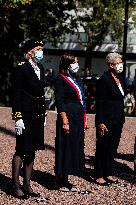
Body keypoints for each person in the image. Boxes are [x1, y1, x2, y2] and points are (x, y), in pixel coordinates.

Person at [11, 38, 47, 199]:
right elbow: (16, 93)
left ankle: (27, 184)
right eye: (38, 49)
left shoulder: (41, 68)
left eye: (41, 49)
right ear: (29, 52)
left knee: (32, 150)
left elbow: (41, 93)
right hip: (25, 114)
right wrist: (17, 116)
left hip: (37, 114)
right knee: (21, 149)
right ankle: (15, 185)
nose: (41, 52)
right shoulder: (22, 69)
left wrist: (44, 113)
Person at [54, 53, 87, 191]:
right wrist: (65, 121)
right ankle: (59, 180)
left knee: (73, 148)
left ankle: (66, 178)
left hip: (77, 118)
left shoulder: (75, 78)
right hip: (68, 117)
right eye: (75, 62)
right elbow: (60, 102)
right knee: (64, 147)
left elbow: (81, 99)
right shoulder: (60, 79)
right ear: (68, 64)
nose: (77, 64)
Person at [94, 52, 125, 186]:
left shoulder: (120, 78)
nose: (120, 65)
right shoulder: (104, 80)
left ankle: (108, 172)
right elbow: (100, 102)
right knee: (103, 146)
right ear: (111, 65)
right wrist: (100, 121)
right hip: (106, 119)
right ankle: (99, 174)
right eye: (118, 63)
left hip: (118, 119)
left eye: (120, 63)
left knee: (112, 147)